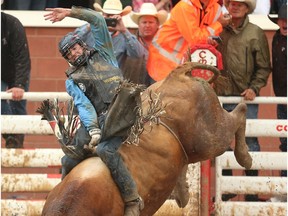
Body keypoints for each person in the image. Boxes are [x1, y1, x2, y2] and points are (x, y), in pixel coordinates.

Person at [44, 6, 144, 215]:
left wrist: (70, 13)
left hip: (123, 110)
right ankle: (63, 200)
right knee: (69, 157)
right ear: (67, 58)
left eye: (75, 47)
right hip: (100, 118)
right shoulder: (72, 80)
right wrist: (93, 129)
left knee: (105, 150)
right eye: (69, 52)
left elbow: (98, 20)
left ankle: (132, 198)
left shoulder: (104, 53)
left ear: (82, 45)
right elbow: (84, 105)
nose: (74, 53)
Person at [214, 0, 271, 201]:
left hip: (244, 98)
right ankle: (228, 187)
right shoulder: (217, 30)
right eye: (231, 3)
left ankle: (251, 190)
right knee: (220, 141)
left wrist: (254, 88)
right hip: (219, 97)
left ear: (247, 8)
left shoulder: (255, 33)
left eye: (240, 4)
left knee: (249, 142)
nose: (235, 6)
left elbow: (263, 67)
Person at [146, 0, 232, 82]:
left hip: (184, 66)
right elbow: (196, 39)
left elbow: (210, 37)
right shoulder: (185, 6)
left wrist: (212, 41)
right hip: (162, 64)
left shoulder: (216, 9)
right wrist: (219, 24)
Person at [74, 0, 149, 84]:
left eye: (113, 16)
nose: (109, 19)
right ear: (102, 15)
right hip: (90, 83)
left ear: (120, 16)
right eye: (107, 15)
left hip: (113, 84)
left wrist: (124, 30)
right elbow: (71, 41)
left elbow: (138, 54)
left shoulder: (124, 37)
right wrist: (91, 24)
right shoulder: (90, 32)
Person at [1, 11, 31, 148]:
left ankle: (17, 139)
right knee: (0, 102)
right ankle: (9, 135)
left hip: (17, 69)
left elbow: (22, 56)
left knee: (18, 104)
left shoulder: (12, 24)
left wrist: (19, 84)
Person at [268, 4, 287, 177]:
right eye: (282, 19)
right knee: (284, 142)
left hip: (283, 98)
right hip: (281, 98)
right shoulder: (276, 38)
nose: (285, 23)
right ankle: (284, 188)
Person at [130, 3, 168, 85]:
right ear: (138, 25)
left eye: (151, 22)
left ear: (157, 24)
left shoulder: (165, 43)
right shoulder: (131, 43)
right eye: (144, 22)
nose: (147, 25)